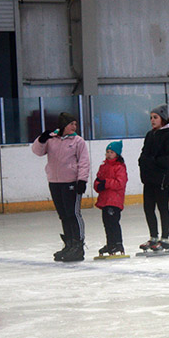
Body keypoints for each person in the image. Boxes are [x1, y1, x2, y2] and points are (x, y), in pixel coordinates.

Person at [31, 112, 89, 262]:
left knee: (73, 213)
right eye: (72, 124)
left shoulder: (78, 141)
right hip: (55, 182)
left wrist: (82, 180)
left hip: (71, 182)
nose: (74, 127)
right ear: (64, 125)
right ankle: (69, 244)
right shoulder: (51, 139)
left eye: (75, 124)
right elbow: (37, 151)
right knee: (63, 215)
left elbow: (84, 162)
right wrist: (41, 139)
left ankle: (78, 245)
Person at [138, 104, 169, 252]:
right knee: (148, 208)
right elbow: (144, 153)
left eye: (155, 117)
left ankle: (165, 238)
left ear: (163, 118)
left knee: (162, 207)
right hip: (149, 178)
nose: (152, 120)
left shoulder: (168, 134)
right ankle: (153, 237)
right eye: (151, 118)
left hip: (162, 178)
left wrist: (156, 162)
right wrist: (142, 162)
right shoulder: (151, 134)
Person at [94, 140, 128, 256]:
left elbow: (120, 183)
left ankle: (118, 243)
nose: (109, 154)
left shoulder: (120, 167)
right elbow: (98, 180)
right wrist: (98, 185)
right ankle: (110, 243)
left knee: (113, 222)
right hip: (105, 200)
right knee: (106, 223)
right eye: (107, 152)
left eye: (112, 152)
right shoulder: (103, 167)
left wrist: (106, 183)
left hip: (114, 201)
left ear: (117, 154)